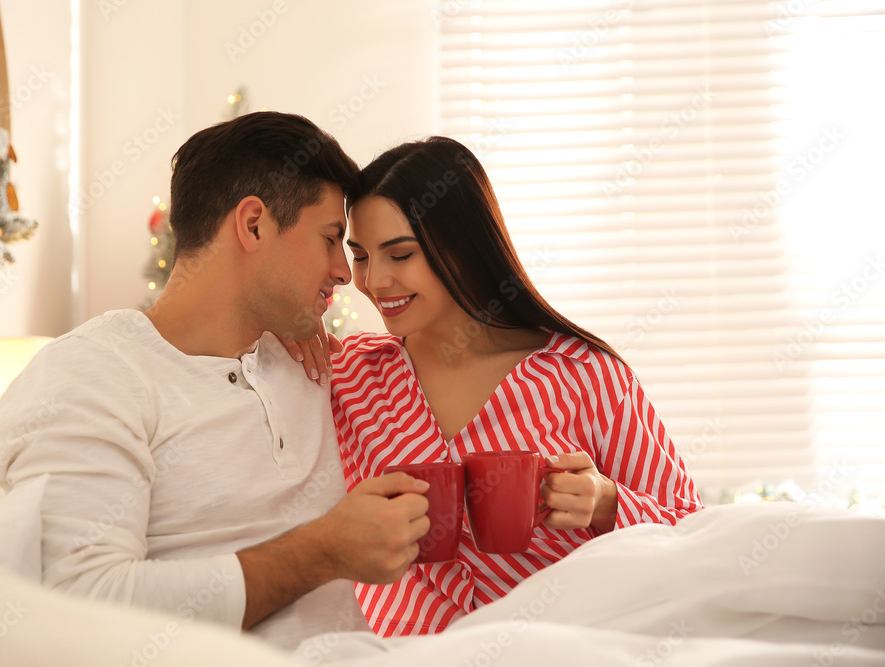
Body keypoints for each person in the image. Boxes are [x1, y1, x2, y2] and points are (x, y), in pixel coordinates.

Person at [0, 112, 432, 651]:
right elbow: (83, 606)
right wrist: (321, 552)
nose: (344, 272)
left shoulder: (307, 362)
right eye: (331, 239)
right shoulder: (90, 377)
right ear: (253, 225)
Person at [285, 136, 703, 638]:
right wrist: (287, 325)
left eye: (401, 255)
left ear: (463, 246)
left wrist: (606, 502)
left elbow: (693, 535)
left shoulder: (586, 376)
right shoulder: (348, 375)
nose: (375, 280)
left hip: (560, 648)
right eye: (360, 257)